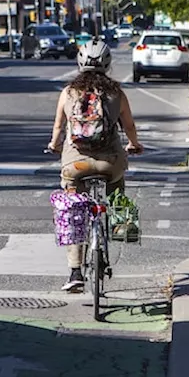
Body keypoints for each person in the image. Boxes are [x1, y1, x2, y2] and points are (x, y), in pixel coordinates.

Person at [48, 37, 142, 293]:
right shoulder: (116, 93)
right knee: (116, 186)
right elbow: (130, 127)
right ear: (108, 63)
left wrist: (55, 145)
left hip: (75, 164)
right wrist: (134, 144)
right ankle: (120, 226)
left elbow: (58, 127)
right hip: (109, 163)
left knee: (73, 210)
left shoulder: (68, 93)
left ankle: (75, 270)